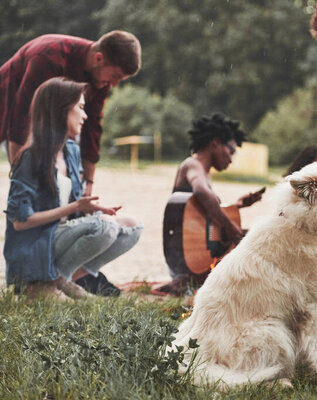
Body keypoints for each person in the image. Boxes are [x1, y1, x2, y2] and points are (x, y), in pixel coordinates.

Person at [4, 77, 142, 299]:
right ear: (60, 110)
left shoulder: (71, 150)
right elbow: (20, 222)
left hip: (60, 236)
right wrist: (74, 208)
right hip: (38, 243)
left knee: (133, 226)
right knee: (104, 227)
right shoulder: (31, 158)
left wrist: (90, 209)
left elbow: (71, 208)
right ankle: (44, 281)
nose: (85, 115)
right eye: (80, 108)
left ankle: (62, 277)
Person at [0, 30, 142, 195]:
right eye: (115, 76)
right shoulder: (48, 57)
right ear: (98, 58)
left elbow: (92, 128)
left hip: (35, 123)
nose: (114, 84)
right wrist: (22, 179)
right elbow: (21, 118)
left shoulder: (100, 77)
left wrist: (88, 182)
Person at [156, 112, 264, 295]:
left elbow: (203, 217)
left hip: (191, 260)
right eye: (231, 151)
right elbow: (201, 192)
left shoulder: (204, 171)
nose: (231, 159)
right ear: (215, 143)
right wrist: (230, 226)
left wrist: (236, 206)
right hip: (186, 260)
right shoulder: (193, 165)